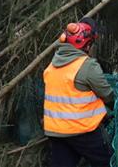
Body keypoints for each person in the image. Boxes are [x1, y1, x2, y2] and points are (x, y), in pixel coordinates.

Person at [43, 18, 114, 167]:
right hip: (83, 130)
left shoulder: (52, 65)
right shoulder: (87, 65)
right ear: (87, 45)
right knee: (107, 162)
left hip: (56, 131)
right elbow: (107, 95)